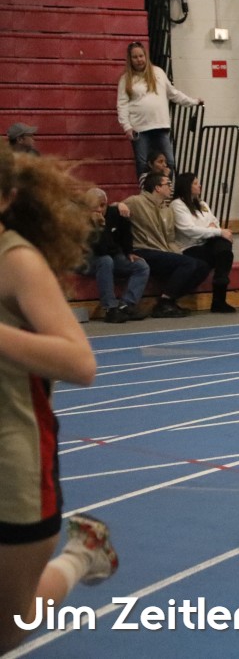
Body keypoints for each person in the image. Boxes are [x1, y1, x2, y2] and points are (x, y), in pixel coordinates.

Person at [0, 145, 118, 653]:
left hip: (13, 468)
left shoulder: (17, 261)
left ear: (6, 199)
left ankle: (82, 555)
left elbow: (79, 362)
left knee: (8, 627)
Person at [123, 171, 211, 317]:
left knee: (202, 266)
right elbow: (113, 208)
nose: (171, 187)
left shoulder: (167, 209)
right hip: (143, 250)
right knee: (188, 263)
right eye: (168, 184)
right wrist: (119, 205)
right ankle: (164, 303)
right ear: (157, 187)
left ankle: (170, 299)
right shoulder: (136, 201)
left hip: (162, 251)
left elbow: (170, 239)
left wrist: (178, 253)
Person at [116, 41, 202, 179]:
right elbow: (122, 105)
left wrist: (193, 102)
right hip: (139, 129)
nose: (139, 60)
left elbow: (173, 93)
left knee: (170, 162)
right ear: (130, 59)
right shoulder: (125, 80)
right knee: (143, 164)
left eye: (141, 56)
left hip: (160, 125)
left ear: (146, 56)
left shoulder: (158, 73)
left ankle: (166, 188)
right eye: (135, 57)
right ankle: (146, 191)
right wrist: (127, 127)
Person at [79, 188, 150, 323]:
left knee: (141, 266)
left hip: (111, 255)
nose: (98, 210)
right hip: (85, 260)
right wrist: (99, 226)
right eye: (93, 207)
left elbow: (126, 234)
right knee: (105, 261)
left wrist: (129, 252)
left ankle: (126, 305)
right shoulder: (80, 220)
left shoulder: (115, 213)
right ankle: (110, 308)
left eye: (102, 206)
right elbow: (100, 249)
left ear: (105, 204)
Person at [171, 173, 236, 313]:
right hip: (190, 247)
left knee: (224, 247)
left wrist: (213, 230)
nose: (199, 185)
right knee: (222, 249)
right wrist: (214, 230)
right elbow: (189, 230)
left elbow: (214, 222)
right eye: (195, 183)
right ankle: (219, 299)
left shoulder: (202, 204)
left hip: (206, 243)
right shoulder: (177, 205)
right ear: (186, 186)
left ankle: (219, 298)